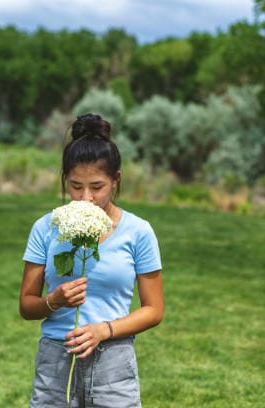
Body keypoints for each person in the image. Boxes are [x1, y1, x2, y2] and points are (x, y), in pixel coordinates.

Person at [19, 113, 164, 407]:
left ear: (116, 180)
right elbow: (26, 306)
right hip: (56, 360)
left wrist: (104, 330)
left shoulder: (138, 232)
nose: (85, 197)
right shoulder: (45, 227)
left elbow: (154, 310)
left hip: (113, 361)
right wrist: (54, 300)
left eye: (97, 187)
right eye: (75, 186)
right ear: (64, 180)